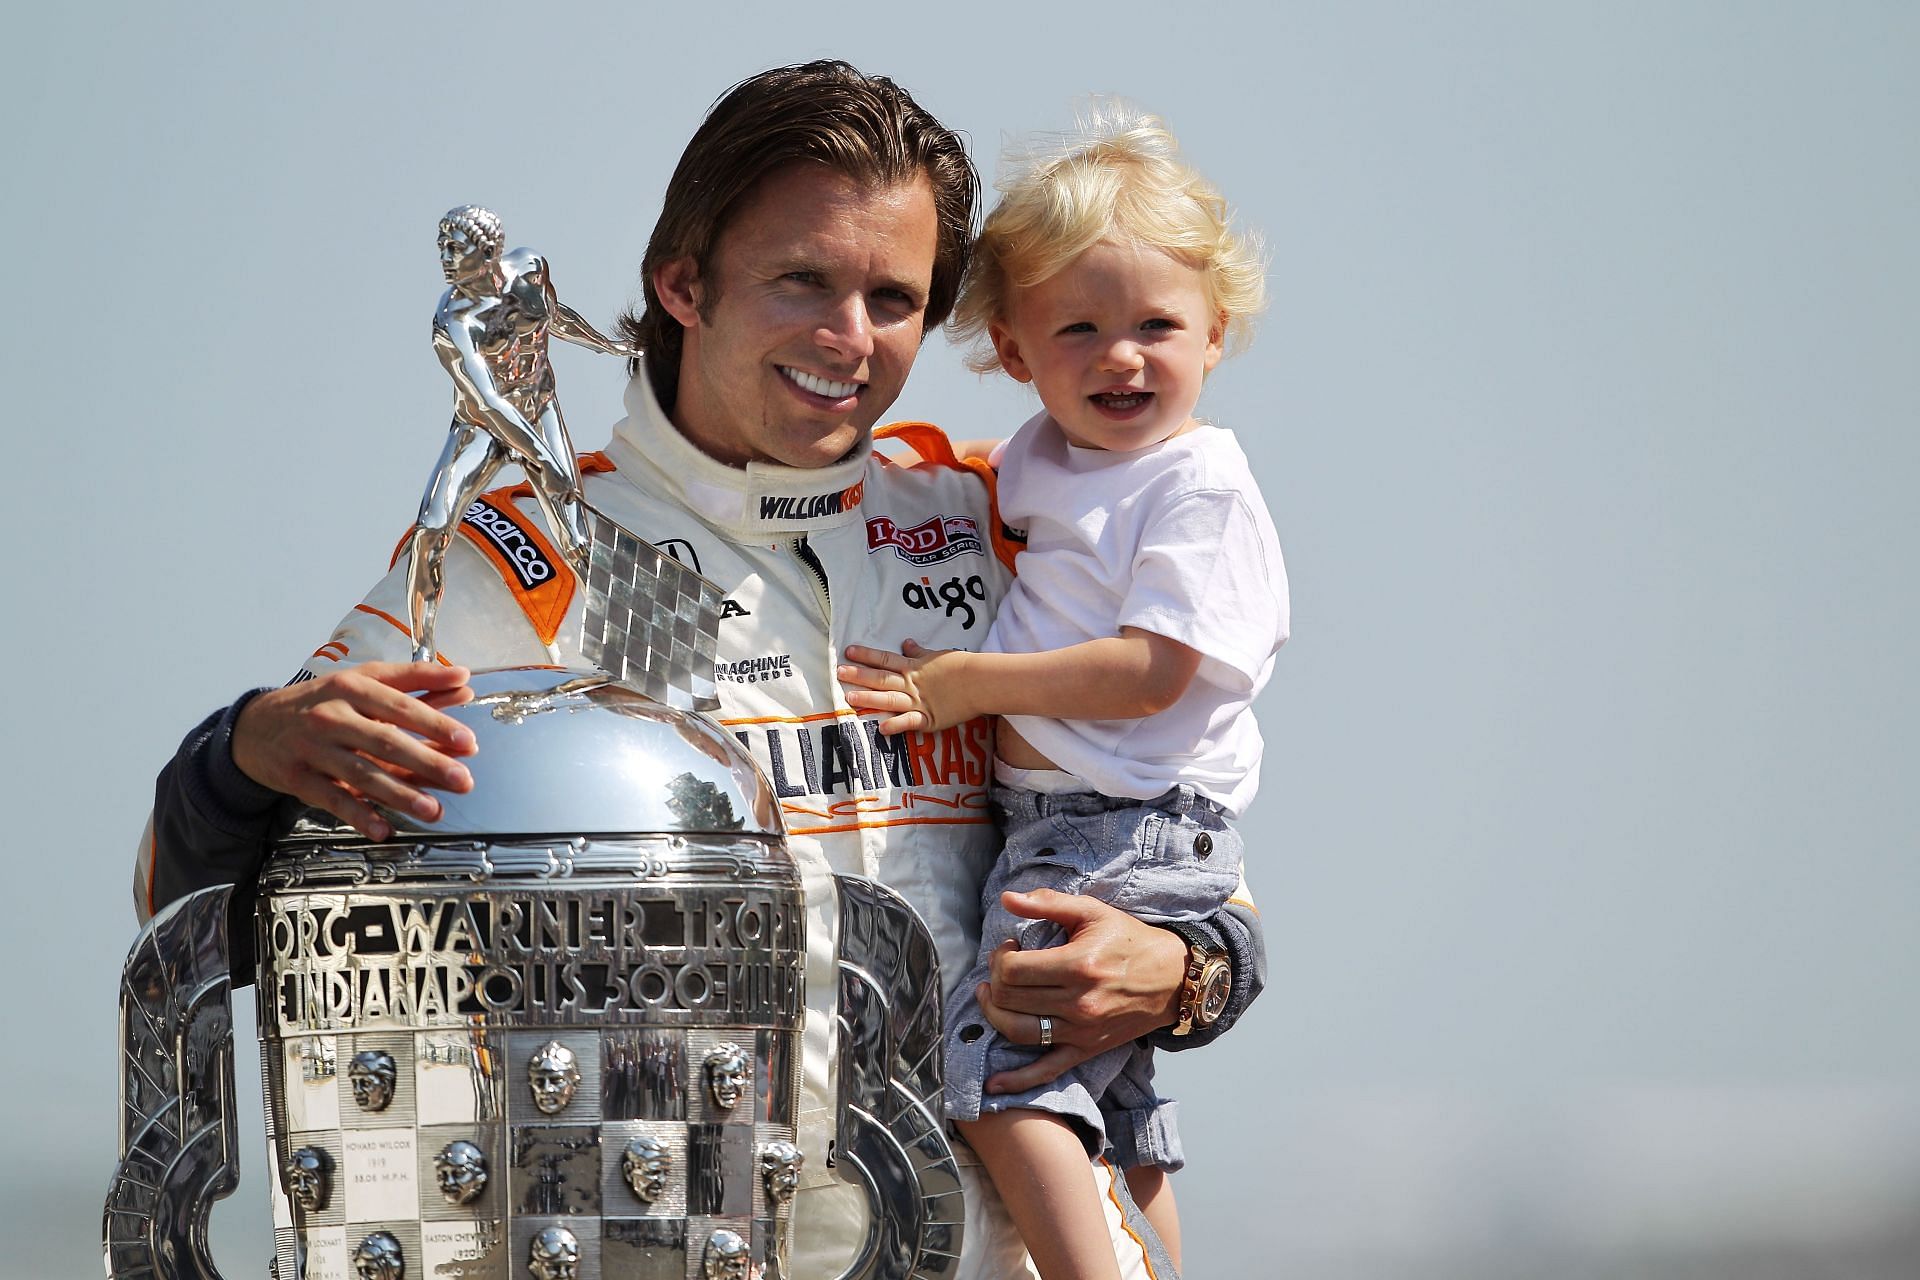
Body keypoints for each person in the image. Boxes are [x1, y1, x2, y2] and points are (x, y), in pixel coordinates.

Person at [136, 62, 1266, 1279]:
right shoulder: (521, 553)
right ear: (683, 282)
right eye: (804, 282)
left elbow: (1177, 833)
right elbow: (189, 906)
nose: (850, 339)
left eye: (893, 297)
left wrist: (1192, 973)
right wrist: (241, 752)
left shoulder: (995, 513)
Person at [840, 105, 1285, 1280]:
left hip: (1119, 818)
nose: (1120, 355)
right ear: (1014, 349)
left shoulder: (1198, 482)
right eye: (1077, 327)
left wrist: (966, 685)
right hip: (1073, 814)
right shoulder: (1030, 461)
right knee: (1114, 1103)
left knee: (995, 1076)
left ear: (1217, 329)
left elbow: (1156, 670)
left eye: (1157, 324)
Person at [407, 204, 635, 661]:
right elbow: (489, 402)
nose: (445, 258)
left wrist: (609, 346)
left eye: (456, 248)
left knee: (577, 538)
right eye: (442, 248)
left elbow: (556, 316)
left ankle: (624, 645)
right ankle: (422, 652)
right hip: (483, 428)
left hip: (538, 406)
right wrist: (541, 460)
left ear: (488, 250)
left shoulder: (529, 268)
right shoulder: (453, 323)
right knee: (430, 530)